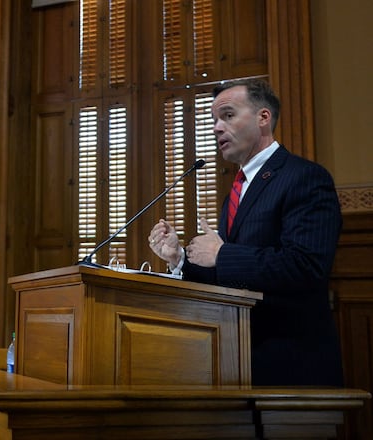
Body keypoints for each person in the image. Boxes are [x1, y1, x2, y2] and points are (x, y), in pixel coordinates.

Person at [147, 78, 343, 387]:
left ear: (263, 118)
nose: (216, 128)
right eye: (213, 119)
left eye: (227, 115)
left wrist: (222, 253)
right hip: (237, 361)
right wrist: (180, 259)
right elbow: (231, 277)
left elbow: (306, 266)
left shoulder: (305, 177)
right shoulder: (236, 192)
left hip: (292, 367)